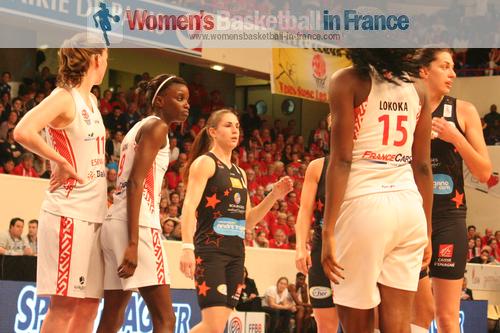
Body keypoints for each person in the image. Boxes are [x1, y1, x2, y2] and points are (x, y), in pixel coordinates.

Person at [321, 49, 433, 333]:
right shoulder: (419, 88)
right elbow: (422, 167)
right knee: (398, 326)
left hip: (365, 203)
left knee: (358, 325)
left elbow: (342, 160)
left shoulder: (347, 80)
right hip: (409, 207)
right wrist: (428, 233)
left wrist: (328, 230)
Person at [13, 33, 108, 333]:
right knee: (64, 306)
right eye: (106, 57)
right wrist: (60, 160)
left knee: (89, 305)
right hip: (69, 213)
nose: (106, 63)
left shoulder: (91, 99)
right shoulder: (63, 97)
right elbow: (23, 131)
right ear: (95, 59)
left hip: (95, 215)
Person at [179, 109, 293, 333]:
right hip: (211, 252)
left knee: (218, 326)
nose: (235, 130)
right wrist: (186, 247)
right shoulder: (205, 163)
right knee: (212, 326)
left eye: (237, 126)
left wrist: (273, 196)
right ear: (213, 131)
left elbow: (248, 221)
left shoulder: (240, 173)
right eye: (228, 125)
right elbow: (189, 206)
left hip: (236, 256)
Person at [97, 74, 190, 333]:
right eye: (180, 98)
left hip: (114, 221)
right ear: (160, 100)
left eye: (187, 100)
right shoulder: (158, 127)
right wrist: (134, 242)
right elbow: (137, 182)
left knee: (113, 315)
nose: (186, 104)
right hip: (138, 225)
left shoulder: (137, 128)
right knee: (165, 319)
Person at [414, 48, 492, 333]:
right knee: (417, 315)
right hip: (410, 219)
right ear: (424, 71)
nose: (452, 73)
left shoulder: (464, 110)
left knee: (447, 317)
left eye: (453, 67)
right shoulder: (407, 107)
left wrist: (455, 136)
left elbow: (484, 172)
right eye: (444, 67)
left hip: (449, 218)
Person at [295, 133, 339, 332]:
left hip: (356, 250)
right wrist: (300, 248)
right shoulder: (317, 166)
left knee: (359, 323)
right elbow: (304, 211)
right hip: (321, 250)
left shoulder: (367, 165)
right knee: (325, 326)